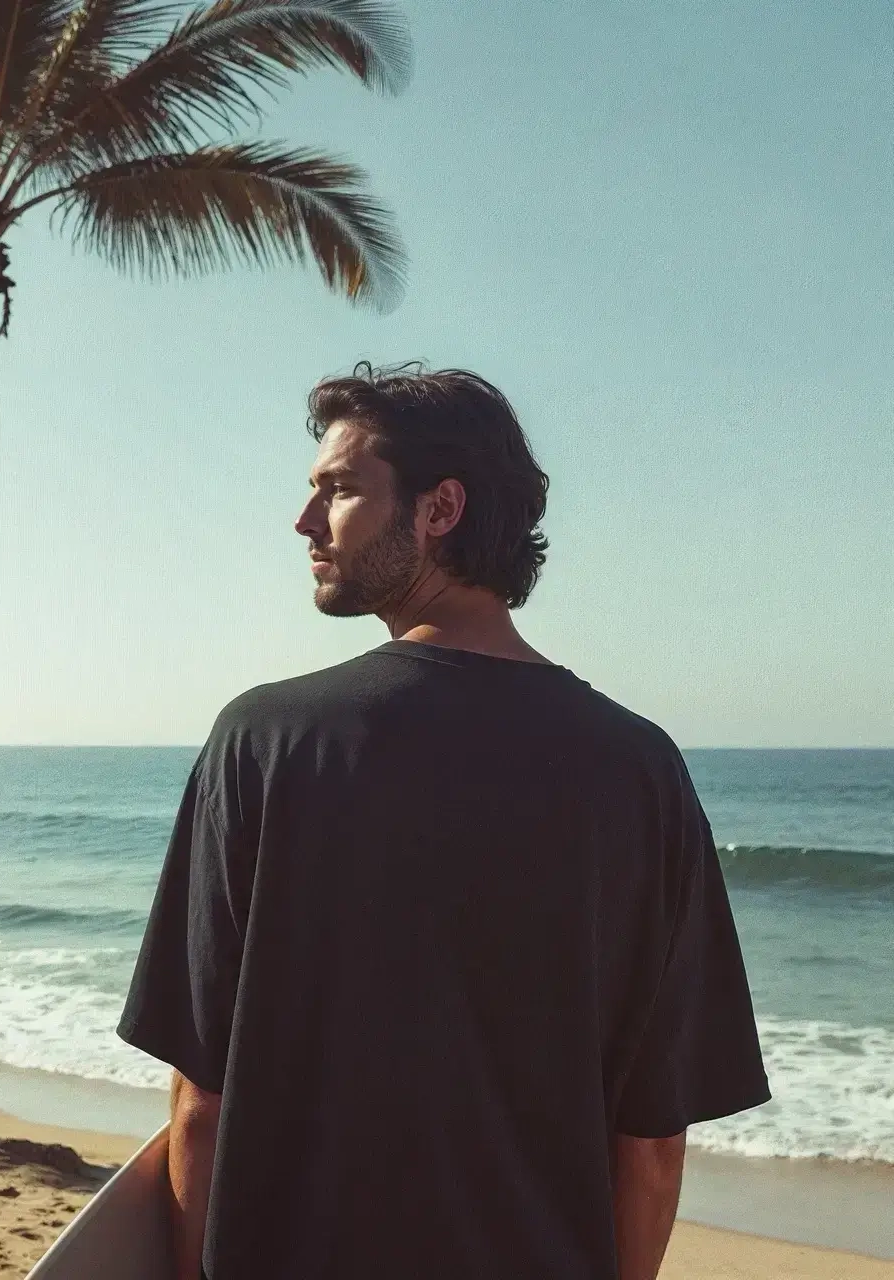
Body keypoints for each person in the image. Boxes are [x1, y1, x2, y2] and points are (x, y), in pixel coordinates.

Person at [117, 362, 770, 1280]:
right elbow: (653, 1142)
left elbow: (202, 1102)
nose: (304, 520)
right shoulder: (640, 770)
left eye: (339, 489)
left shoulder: (266, 741)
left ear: (440, 508)